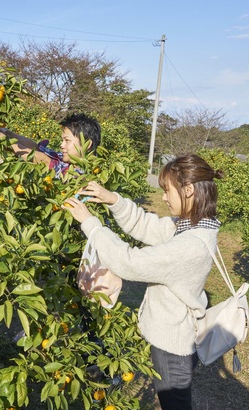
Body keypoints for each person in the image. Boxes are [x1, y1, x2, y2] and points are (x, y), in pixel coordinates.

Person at [63, 154, 224, 410]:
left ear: (189, 190)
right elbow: (145, 225)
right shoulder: (191, 226)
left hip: (173, 349)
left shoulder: (191, 245)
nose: (163, 197)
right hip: (173, 335)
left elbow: (128, 262)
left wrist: (90, 224)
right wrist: (113, 199)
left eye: (167, 191)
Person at [0, 113, 101, 177]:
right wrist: (8, 133)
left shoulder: (83, 175)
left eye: (67, 141)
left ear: (87, 144)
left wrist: (2, 139)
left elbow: (45, 160)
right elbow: (37, 149)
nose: (61, 145)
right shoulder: (69, 160)